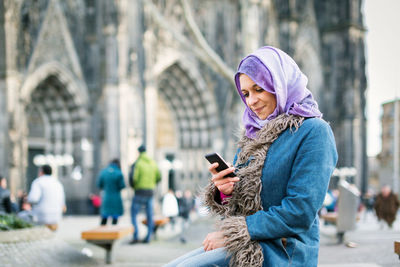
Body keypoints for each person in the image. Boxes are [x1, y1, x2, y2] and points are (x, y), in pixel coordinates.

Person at [164, 46, 338, 267]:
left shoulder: (314, 131)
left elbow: (300, 211)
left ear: (280, 83)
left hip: (284, 251)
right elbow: (242, 202)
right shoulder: (252, 135)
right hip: (246, 243)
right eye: (245, 93)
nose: (251, 101)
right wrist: (225, 191)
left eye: (259, 89)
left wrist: (235, 233)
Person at [130, 145, 161, 244]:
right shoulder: (152, 162)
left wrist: (135, 186)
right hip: (150, 192)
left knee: (134, 214)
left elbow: (134, 178)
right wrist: (152, 183)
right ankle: (148, 237)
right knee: (149, 215)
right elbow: (159, 177)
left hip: (139, 192)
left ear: (139, 152)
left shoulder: (138, 163)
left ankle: (135, 236)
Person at [27, 165, 66, 231]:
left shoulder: (38, 182)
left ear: (41, 172)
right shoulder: (58, 183)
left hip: (41, 216)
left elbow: (33, 199)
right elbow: (62, 202)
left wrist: (27, 199)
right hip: (56, 216)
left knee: (22, 215)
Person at [97, 159, 125, 225]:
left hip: (106, 197)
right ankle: (113, 232)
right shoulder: (119, 173)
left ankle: (102, 233)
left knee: (104, 216)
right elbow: (122, 186)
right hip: (116, 198)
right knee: (115, 218)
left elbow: (99, 185)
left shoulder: (103, 172)